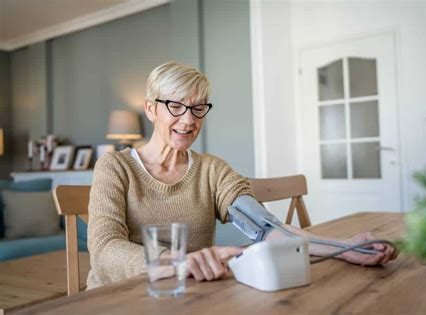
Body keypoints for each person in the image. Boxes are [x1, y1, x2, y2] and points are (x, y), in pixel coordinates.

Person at [87, 61, 397, 289]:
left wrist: (346, 248)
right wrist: (177, 262)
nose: (188, 119)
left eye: (198, 108)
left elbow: (266, 229)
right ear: (151, 109)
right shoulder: (115, 167)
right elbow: (105, 249)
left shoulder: (212, 170)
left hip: (188, 296)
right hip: (118, 299)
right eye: (175, 106)